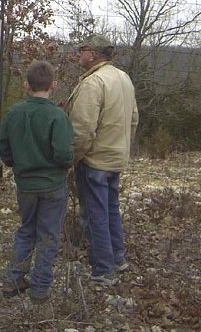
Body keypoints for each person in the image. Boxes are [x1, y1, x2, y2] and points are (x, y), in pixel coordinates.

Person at [0, 60, 74, 303]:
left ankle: (14, 279)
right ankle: (40, 289)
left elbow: (4, 147)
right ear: (54, 85)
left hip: (26, 185)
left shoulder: (13, 113)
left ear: (26, 85)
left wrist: (16, 164)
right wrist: (66, 164)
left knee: (26, 229)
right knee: (48, 235)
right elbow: (63, 153)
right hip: (52, 184)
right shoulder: (57, 116)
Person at [66, 34, 139, 286]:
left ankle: (102, 269)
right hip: (116, 157)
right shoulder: (123, 78)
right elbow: (134, 119)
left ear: (93, 54)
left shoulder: (93, 83)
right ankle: (118, 259)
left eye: (82, 49)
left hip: (94, 160)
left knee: (94, 212)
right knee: (110, 209)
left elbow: (82, 130)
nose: (79, 54)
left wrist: (73, 158)